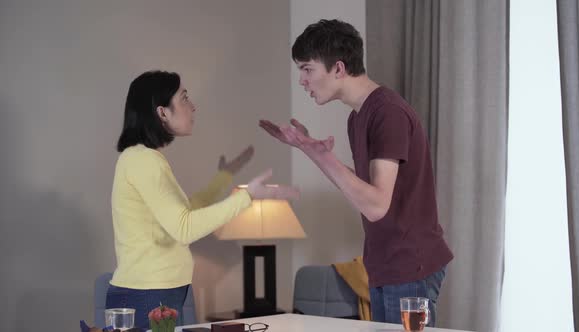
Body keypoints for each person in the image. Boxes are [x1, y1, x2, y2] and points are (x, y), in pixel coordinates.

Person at [259, 19, 453, 326]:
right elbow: (364, 190)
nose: (302, 80)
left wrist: (317, 152)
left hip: (408, 265)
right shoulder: (359, 117)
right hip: (385, 264)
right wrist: (310, 149)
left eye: (307, 69)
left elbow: (375, 206)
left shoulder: (387, 112)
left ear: (338, 68)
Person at [107, 70, 299, 329]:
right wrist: (247, 196)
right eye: (184, 98)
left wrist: (224, 178)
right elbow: (184, 228)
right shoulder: (144, 161)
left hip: (155, 290)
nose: (192, 106)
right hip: (148, 293)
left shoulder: (142, 158)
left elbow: (186, 210)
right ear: (162, 112)